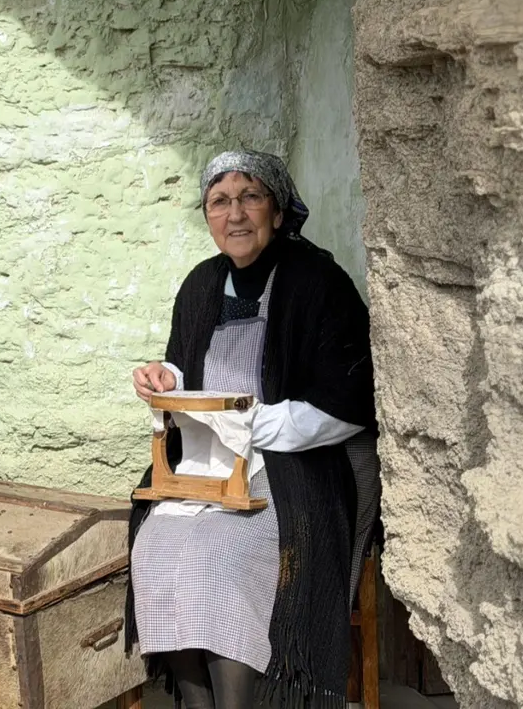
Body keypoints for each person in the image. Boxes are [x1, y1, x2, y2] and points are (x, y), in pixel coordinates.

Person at [125, 150, 379, 708]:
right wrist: (163, 378)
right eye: (220, 201)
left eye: (251, 197)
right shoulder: (201, 284)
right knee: (157, 549)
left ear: (280, 211)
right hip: (211, 464)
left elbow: (349, 400)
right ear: (207, 216)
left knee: (217, 552)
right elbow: (188, 373)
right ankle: (198, 704)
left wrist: (253, 423)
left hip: (296, 468)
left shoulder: (319, 283)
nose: (235, 214)